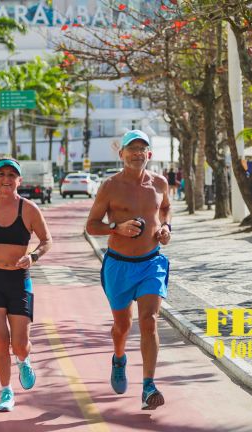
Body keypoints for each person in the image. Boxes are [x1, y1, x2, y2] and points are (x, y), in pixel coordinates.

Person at [86, 130, 172, 410]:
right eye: (131, 148)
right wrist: (117, 227)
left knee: (149, 320)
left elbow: (166, 209)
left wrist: (166, 227)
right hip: (119, 265)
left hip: (151, 262)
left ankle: (148, 386)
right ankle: (119, 358)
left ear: (149, 154)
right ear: (121, 154)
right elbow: (91, 225)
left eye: (142, 149)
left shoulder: (160, 183)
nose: (137, 153)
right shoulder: (110, 186)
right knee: (122, 326)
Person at [0, 158, 53, 411]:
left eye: (11, 175)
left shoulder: (29, 209)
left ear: (19, 180)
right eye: (1, 174)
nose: (6, 179)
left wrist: (33, 257)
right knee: (0, 340)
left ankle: (23, 360)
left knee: (19, 344)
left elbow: (47, 240)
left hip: (19, 281)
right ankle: (6, 391)